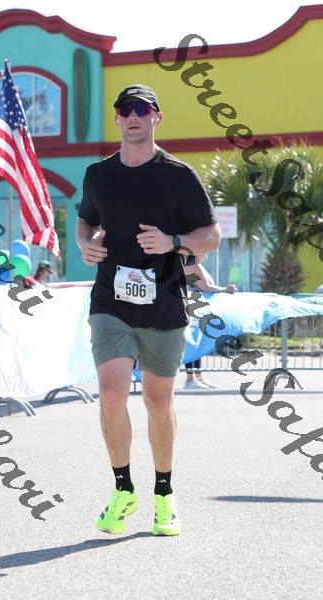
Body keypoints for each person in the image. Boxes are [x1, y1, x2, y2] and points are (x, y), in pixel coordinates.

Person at [75, 84, 221, 536]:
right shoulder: (99, 174)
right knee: (111, 392)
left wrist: (172, 242)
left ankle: (164, 494)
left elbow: (211, 236)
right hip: (110, 300)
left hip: (164, 301)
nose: (133, 116)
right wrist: (84, 244)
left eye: (142, 109)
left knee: (158, 401)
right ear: (118, 118)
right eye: (126, 109)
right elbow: (85, 220)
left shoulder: (179, 176)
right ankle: (123, 489)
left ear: (157, 117)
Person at [183, 261, 238, 389]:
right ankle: (190, 379)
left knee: (197, 344)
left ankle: (198, 377)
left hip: (199, 309)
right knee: (193, 343)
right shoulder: (192, 265)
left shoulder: (196, 265)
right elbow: (205, 287)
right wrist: (225, 289)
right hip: (195, 308)